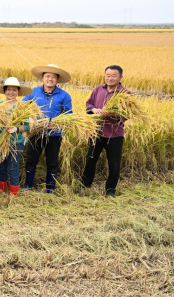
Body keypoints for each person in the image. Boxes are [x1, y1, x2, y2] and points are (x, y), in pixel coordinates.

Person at [22, 64, 73, 193]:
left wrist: (56, 123)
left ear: (57, 79)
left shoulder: (64, 96)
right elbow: (21, 109)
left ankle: (50, 189)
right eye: (47, 76)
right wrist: (31, 120)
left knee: (52, 162)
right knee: (31, 160)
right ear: (43, 78)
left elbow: (68, 114)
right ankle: (28, 187)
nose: (50, 79)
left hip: (54, 134)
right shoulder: (32, 92)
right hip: (36, 132)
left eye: (53, 77)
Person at [82, 65, 130, 197]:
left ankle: (110, 190)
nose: (110, 78)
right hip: (96, 132)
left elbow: (128, 113)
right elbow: (88, 104)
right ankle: (85, 185)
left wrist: (112, 114)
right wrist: (94, 110)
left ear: (120, 77)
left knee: (114, 163)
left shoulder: (125, 93)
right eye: (108, 75)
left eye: (113, 76)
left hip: (114, 135)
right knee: (90, 159)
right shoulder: (98, 89)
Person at [0, 77, 32, 196]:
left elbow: (28, 126)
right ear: (4, 91)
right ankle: (1, 191)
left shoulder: (22, 108)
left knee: (12, 168)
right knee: (1, 168)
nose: (11, 93)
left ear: (18, 92)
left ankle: (13, 194)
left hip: (16, 142)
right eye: (8, 90)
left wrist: (16, 129)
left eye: (14, 90)